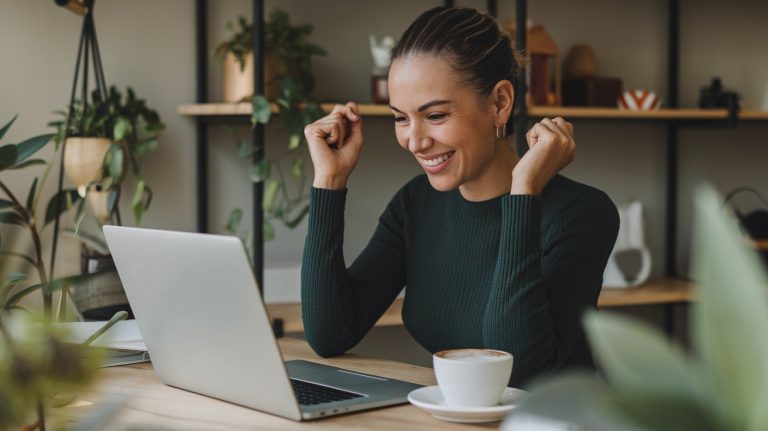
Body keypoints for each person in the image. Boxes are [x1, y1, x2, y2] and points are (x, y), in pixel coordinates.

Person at [301, 6, 619, 387]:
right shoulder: (415, 203)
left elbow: (515, 371)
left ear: (500, 102)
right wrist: (329, 180)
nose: (414, 142)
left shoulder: (582, 213)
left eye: (435, 116)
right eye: (401, 118)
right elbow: (329, 335)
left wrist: (524, 193)